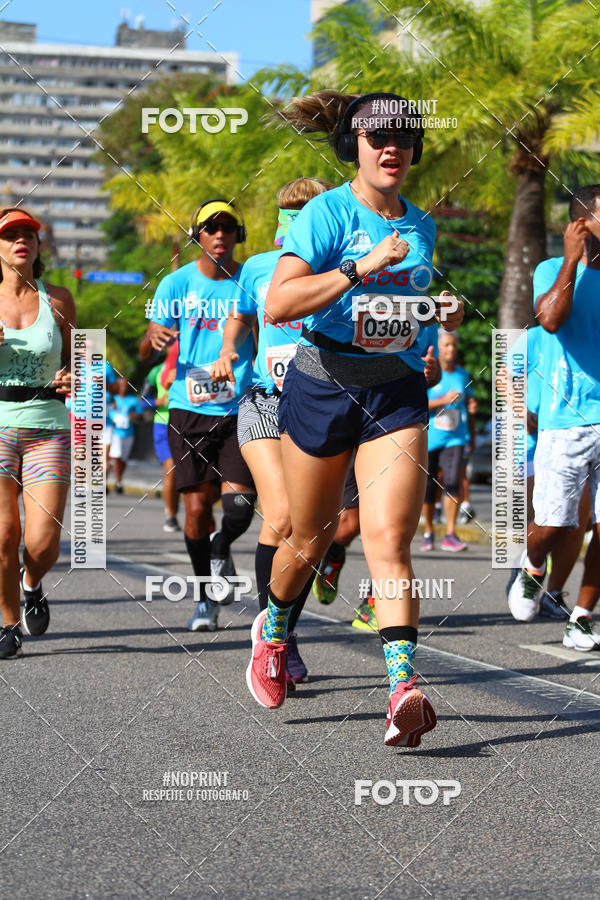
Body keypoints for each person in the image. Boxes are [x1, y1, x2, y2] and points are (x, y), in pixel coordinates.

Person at [244, 91, 463, 749]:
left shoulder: (422, 224)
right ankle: (275, 628)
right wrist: (357, 267)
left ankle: (403, 689)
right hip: (322, 383)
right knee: (307, 537)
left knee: (388, 539)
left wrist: (435, 315)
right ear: (355, 148)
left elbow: (405, 307)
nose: (391, 147)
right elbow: (281, 302)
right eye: (377, 138)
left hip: (394, 390)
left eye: (402, 136)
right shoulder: (325, 213)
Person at [211, 177, 333, 687]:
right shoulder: (260, 267)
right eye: (289, 212)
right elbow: (239, 318)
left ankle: (282, 627)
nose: (294, 221)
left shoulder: (343, 268)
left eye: (306, 212)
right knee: (278, 512)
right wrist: (227, 349)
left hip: (322, 401)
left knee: (308, 532)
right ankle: (276, 639)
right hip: (264, 400)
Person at [140, 198, 256, 632]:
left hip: (241, 407)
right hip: (189, 409)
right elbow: (145, 345)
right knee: (195, 511)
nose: (220, 235)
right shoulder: (175, 284)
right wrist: (152, 335)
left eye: (228, 227)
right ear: (198, 236)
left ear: (237, 235)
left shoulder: (251, 279)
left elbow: (267, 332)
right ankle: (206, 598)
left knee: (240, 507)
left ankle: (222, 546)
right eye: (211, 228)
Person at [508, 184, 600, 651]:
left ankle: (581, 616)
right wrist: (571, 259)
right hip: (566, 423)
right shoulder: (553, 270)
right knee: (557, 522)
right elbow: (550, 319)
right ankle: (532, 564)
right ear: (581, 225)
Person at [0, 208, 75, 659]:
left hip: (48, 425)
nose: (20, 241)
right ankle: (8, 623)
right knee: (3, 535)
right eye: (10, 235)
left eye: (29, 234)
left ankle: (32, 583)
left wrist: (74, 376)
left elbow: (84, 357)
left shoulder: (59, 299)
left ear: (39, 247)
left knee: (41, 542)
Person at [421, 331, 473, 552]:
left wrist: (471, 431)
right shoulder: (428, 374)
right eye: (446, 345)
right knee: (429, 487)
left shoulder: (463, 375)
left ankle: (451, 534)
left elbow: (469, 403)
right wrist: (442, 400)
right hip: (431, 437)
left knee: (452, 481)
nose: (451, 349)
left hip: (456, 437)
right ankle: (429, 530)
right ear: (439, 348)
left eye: (453, 345)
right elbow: (417, 404)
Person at [147, 346, 181, 532]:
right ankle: (171, 516)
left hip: (187, 423)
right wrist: (155, 402)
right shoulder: (156, 371)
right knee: (171, 469)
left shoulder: (192, 366)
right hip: (163, 425)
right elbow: (142, 399)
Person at [106, 376, 144, 494]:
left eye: (126, 385)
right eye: (121, 385)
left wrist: (135, 417)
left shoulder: (132, 400)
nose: (124, 387)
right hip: (115, 432)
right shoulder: (112, 399)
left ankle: (119, 480)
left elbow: (141, 416)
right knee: (115, 457)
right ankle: (117, 483)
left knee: (123, 459)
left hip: (128, 433)